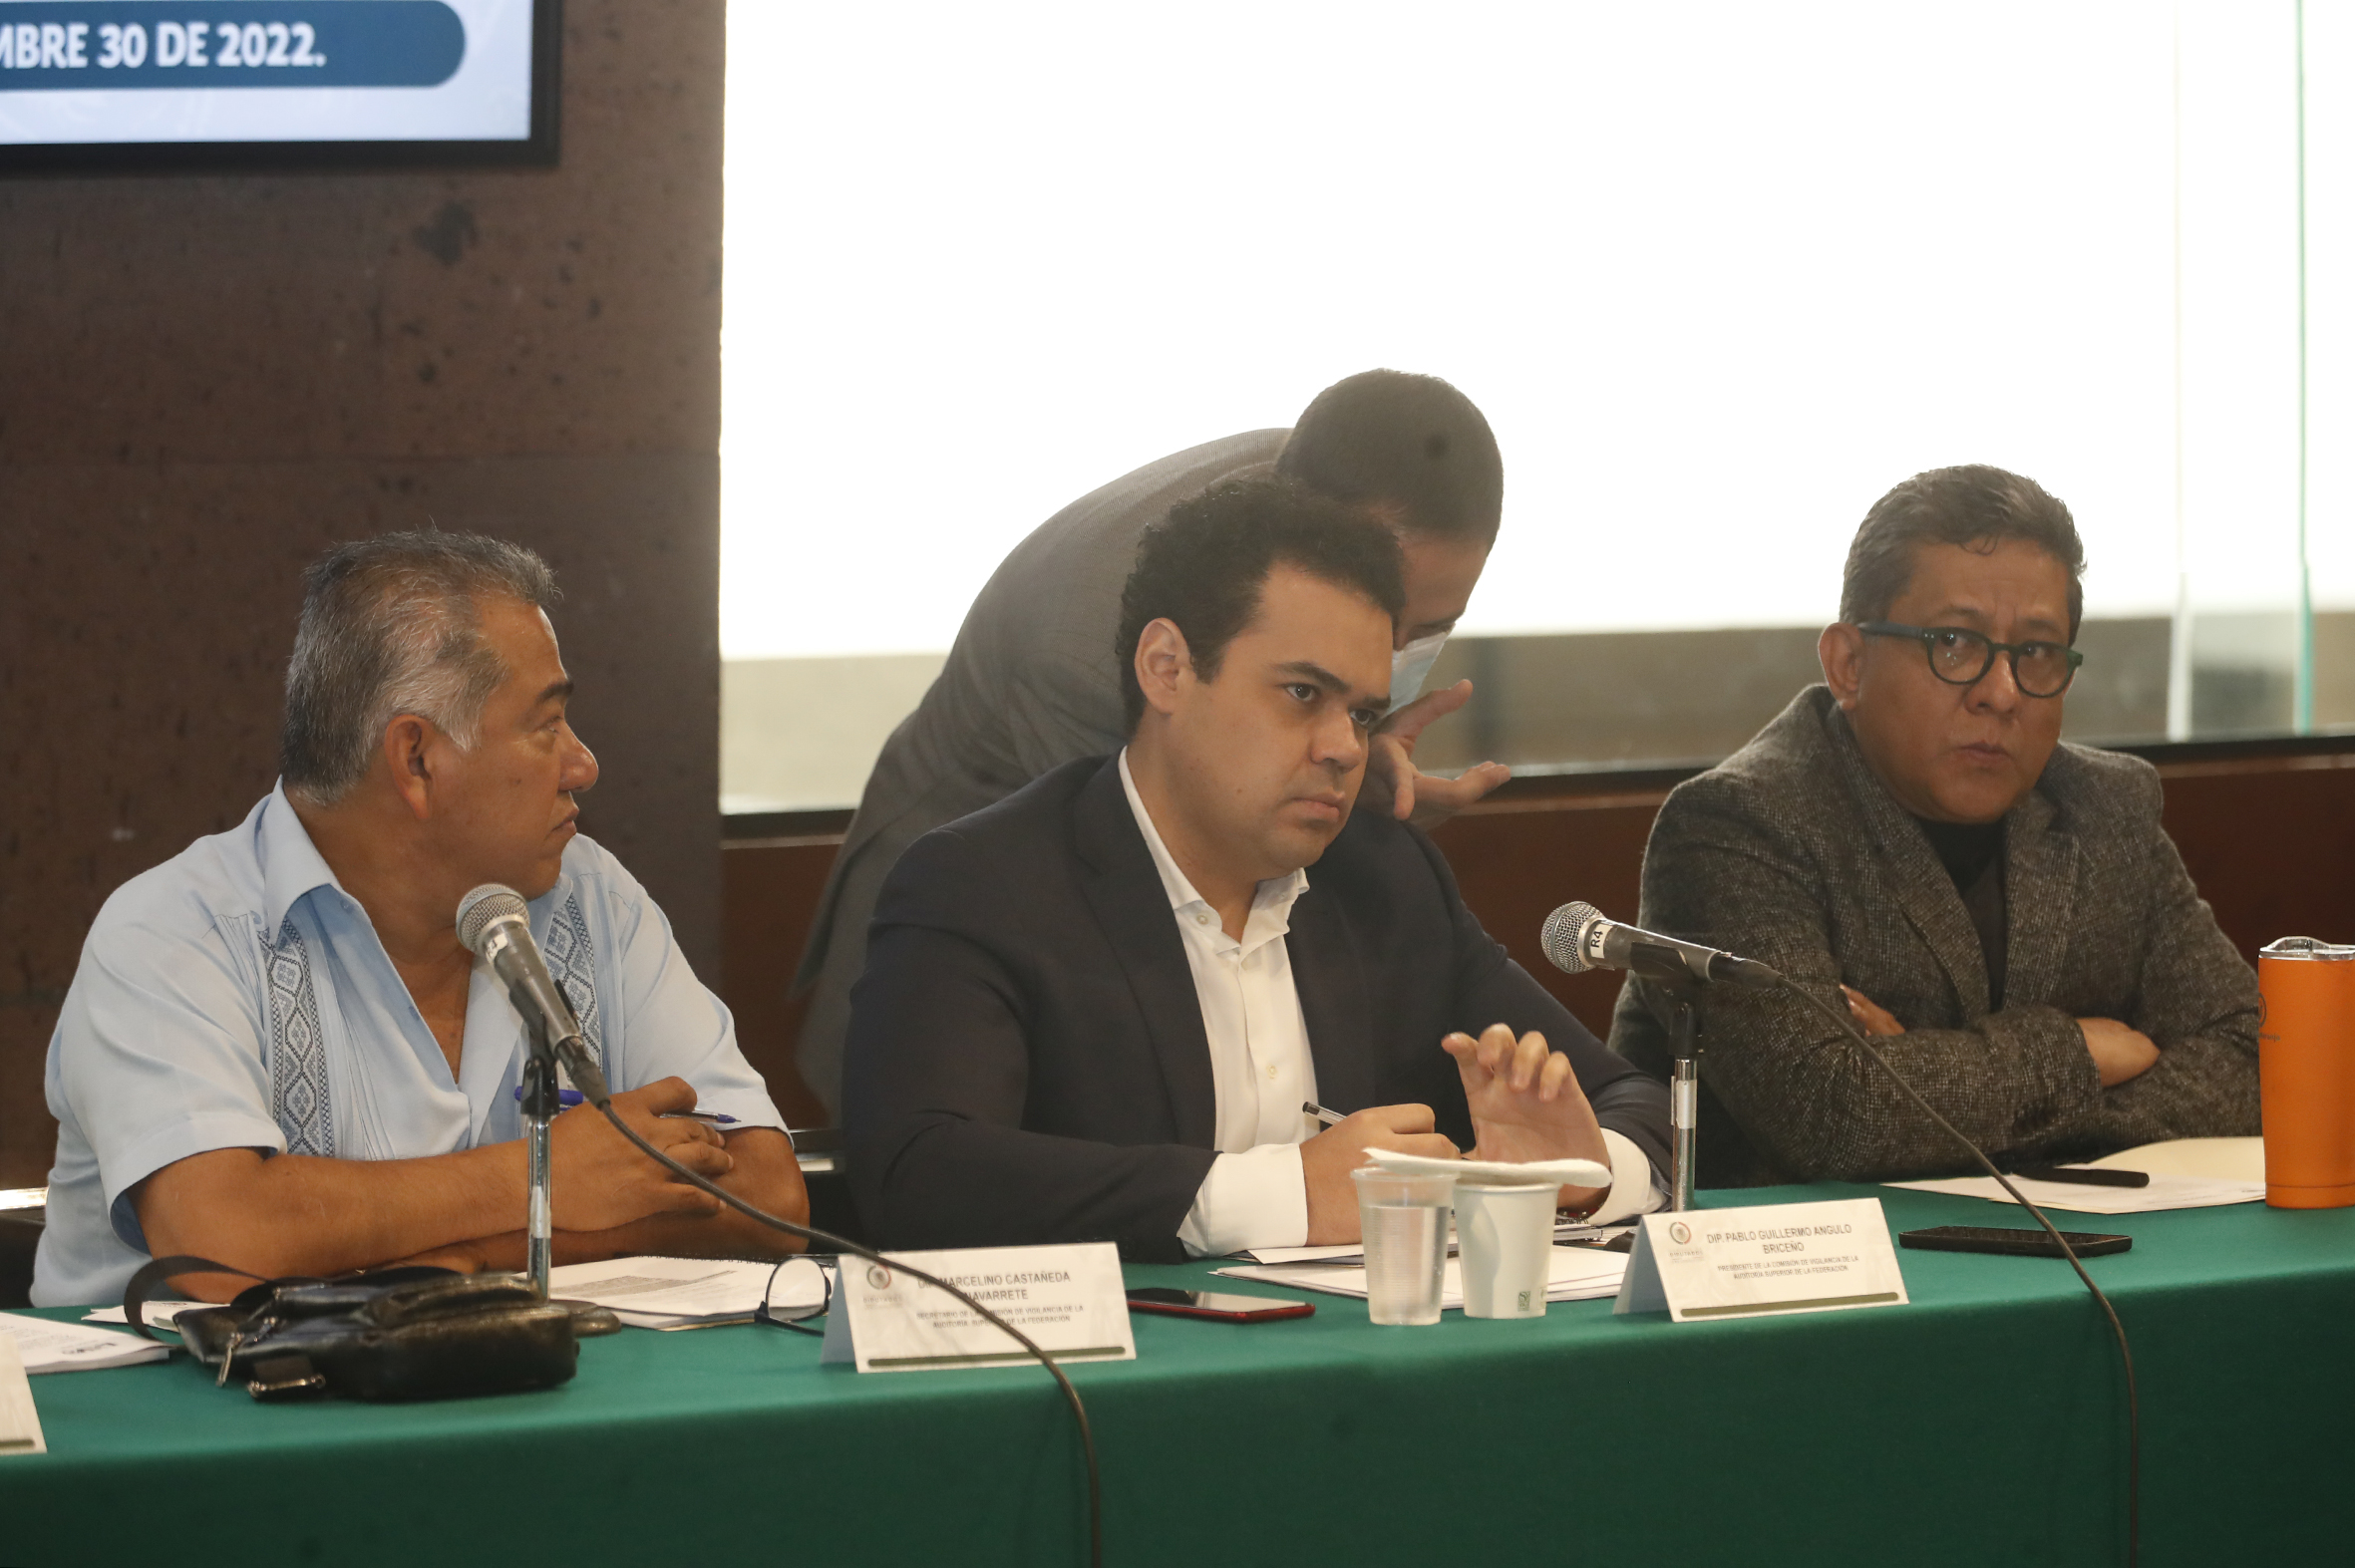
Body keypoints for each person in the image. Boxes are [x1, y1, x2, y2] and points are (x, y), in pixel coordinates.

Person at [842, 479, 1670, 1260]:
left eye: (1364, 713)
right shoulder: (987, 884)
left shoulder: (1385, 881)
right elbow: (919, 1175)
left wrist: (1580, 1175)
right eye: (1303, 693)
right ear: (1167, 668)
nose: (1345, 747)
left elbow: (1637, 1106)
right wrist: (1286, 1194)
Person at [33, 532, 807, 1307]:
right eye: (546, 725)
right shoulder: (173, 934)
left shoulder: (591, 895)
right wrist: (547, 1178)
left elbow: (768, 1193)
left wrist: (470, 1256)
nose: (582, 764)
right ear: (416, 759)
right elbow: (221, 1242)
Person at [794, 370, 1518, 1116]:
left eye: (1433, 627)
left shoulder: (1344, 475)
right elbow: (1133, 882)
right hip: (945, 967)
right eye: (1306, 689)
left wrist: (1354, 737)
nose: (1392, 651)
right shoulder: (1092, 645)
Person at [1608, 466, 2261, 1186]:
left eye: (2036, 653)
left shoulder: (2105, 807)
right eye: (1954, 642)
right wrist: (2079, 1054)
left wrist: (1931, 1078)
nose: (2001, 693)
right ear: (1849, 664)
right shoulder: (1736, 827)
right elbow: (1832, 1118)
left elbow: (2253, 1058)